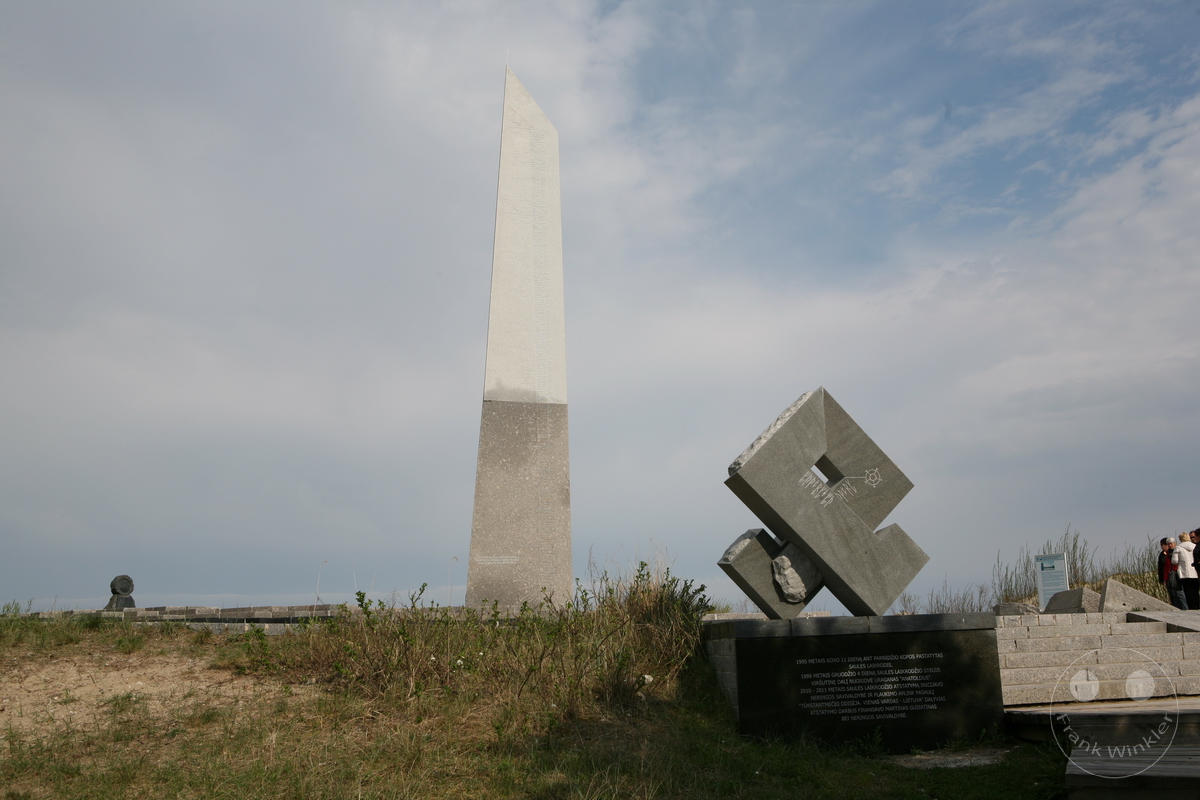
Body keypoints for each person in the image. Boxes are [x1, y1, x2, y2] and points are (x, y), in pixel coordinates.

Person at [1159, 537, 1188, 609]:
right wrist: (1164, 578)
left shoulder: (1177, 551)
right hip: (1170, 576)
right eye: (1168, 544)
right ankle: (1177, 609)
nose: (1170, 545)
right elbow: (1165, 567)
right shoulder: (1165, 554)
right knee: (1174, 595)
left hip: (1178, 575)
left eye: (1171, 544)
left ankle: (1185, 609)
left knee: (1180, 594)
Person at [1174, 532, 1199, 611]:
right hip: (1195, 572)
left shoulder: (1178, 548)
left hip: (1184, 573)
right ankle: (1198, 607)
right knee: (1196, 591)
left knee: (1188, 592)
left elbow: (1174, 561)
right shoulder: (1195, 546)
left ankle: (1192, 608)